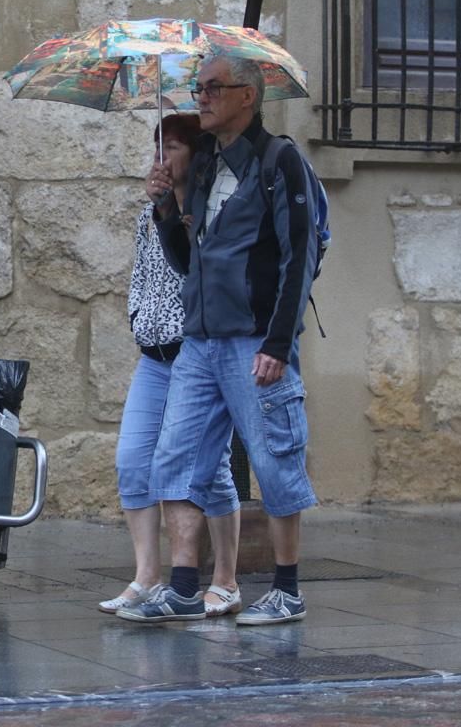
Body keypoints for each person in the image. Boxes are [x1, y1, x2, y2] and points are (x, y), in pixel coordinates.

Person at [117, 56, 319, 626]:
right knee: (175, 461)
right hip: (200, 342)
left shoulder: (281, 162)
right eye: (198, 88)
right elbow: (189, 263)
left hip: (253, 338)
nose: (200, 98)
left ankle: (286, 590)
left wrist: (278, 343)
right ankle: (183, 586)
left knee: (276, 458)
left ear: (247, 96)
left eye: (211, 89)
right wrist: (164, 208)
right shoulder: (205, 168)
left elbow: (297, 257)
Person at [99, 114, 242, 620]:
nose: (161, 156)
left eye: (174, 146)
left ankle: (224, 580)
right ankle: (146, 577)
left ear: (197, 153)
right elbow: (142, 272)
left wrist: (177, 212)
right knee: (132, 461)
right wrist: (138, 317)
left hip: (197, 355)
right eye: (157, 145)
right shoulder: (148, 213)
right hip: (154, 356)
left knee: (207, 470)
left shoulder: (212, 210)